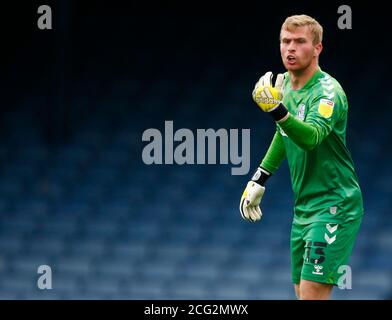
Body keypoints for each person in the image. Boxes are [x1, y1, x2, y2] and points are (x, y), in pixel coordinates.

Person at [239, 14, 364, 300]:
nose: (290, 48)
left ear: (318, 48)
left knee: (310, 294)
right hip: (304, 207)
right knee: (301, 293)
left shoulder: (328, 92)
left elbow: (310, 138)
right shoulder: (284, 85)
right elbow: (285, 134)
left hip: (335, 204)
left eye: (299, 42)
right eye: (285, 41)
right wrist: (260, 177)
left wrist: (276, 110)